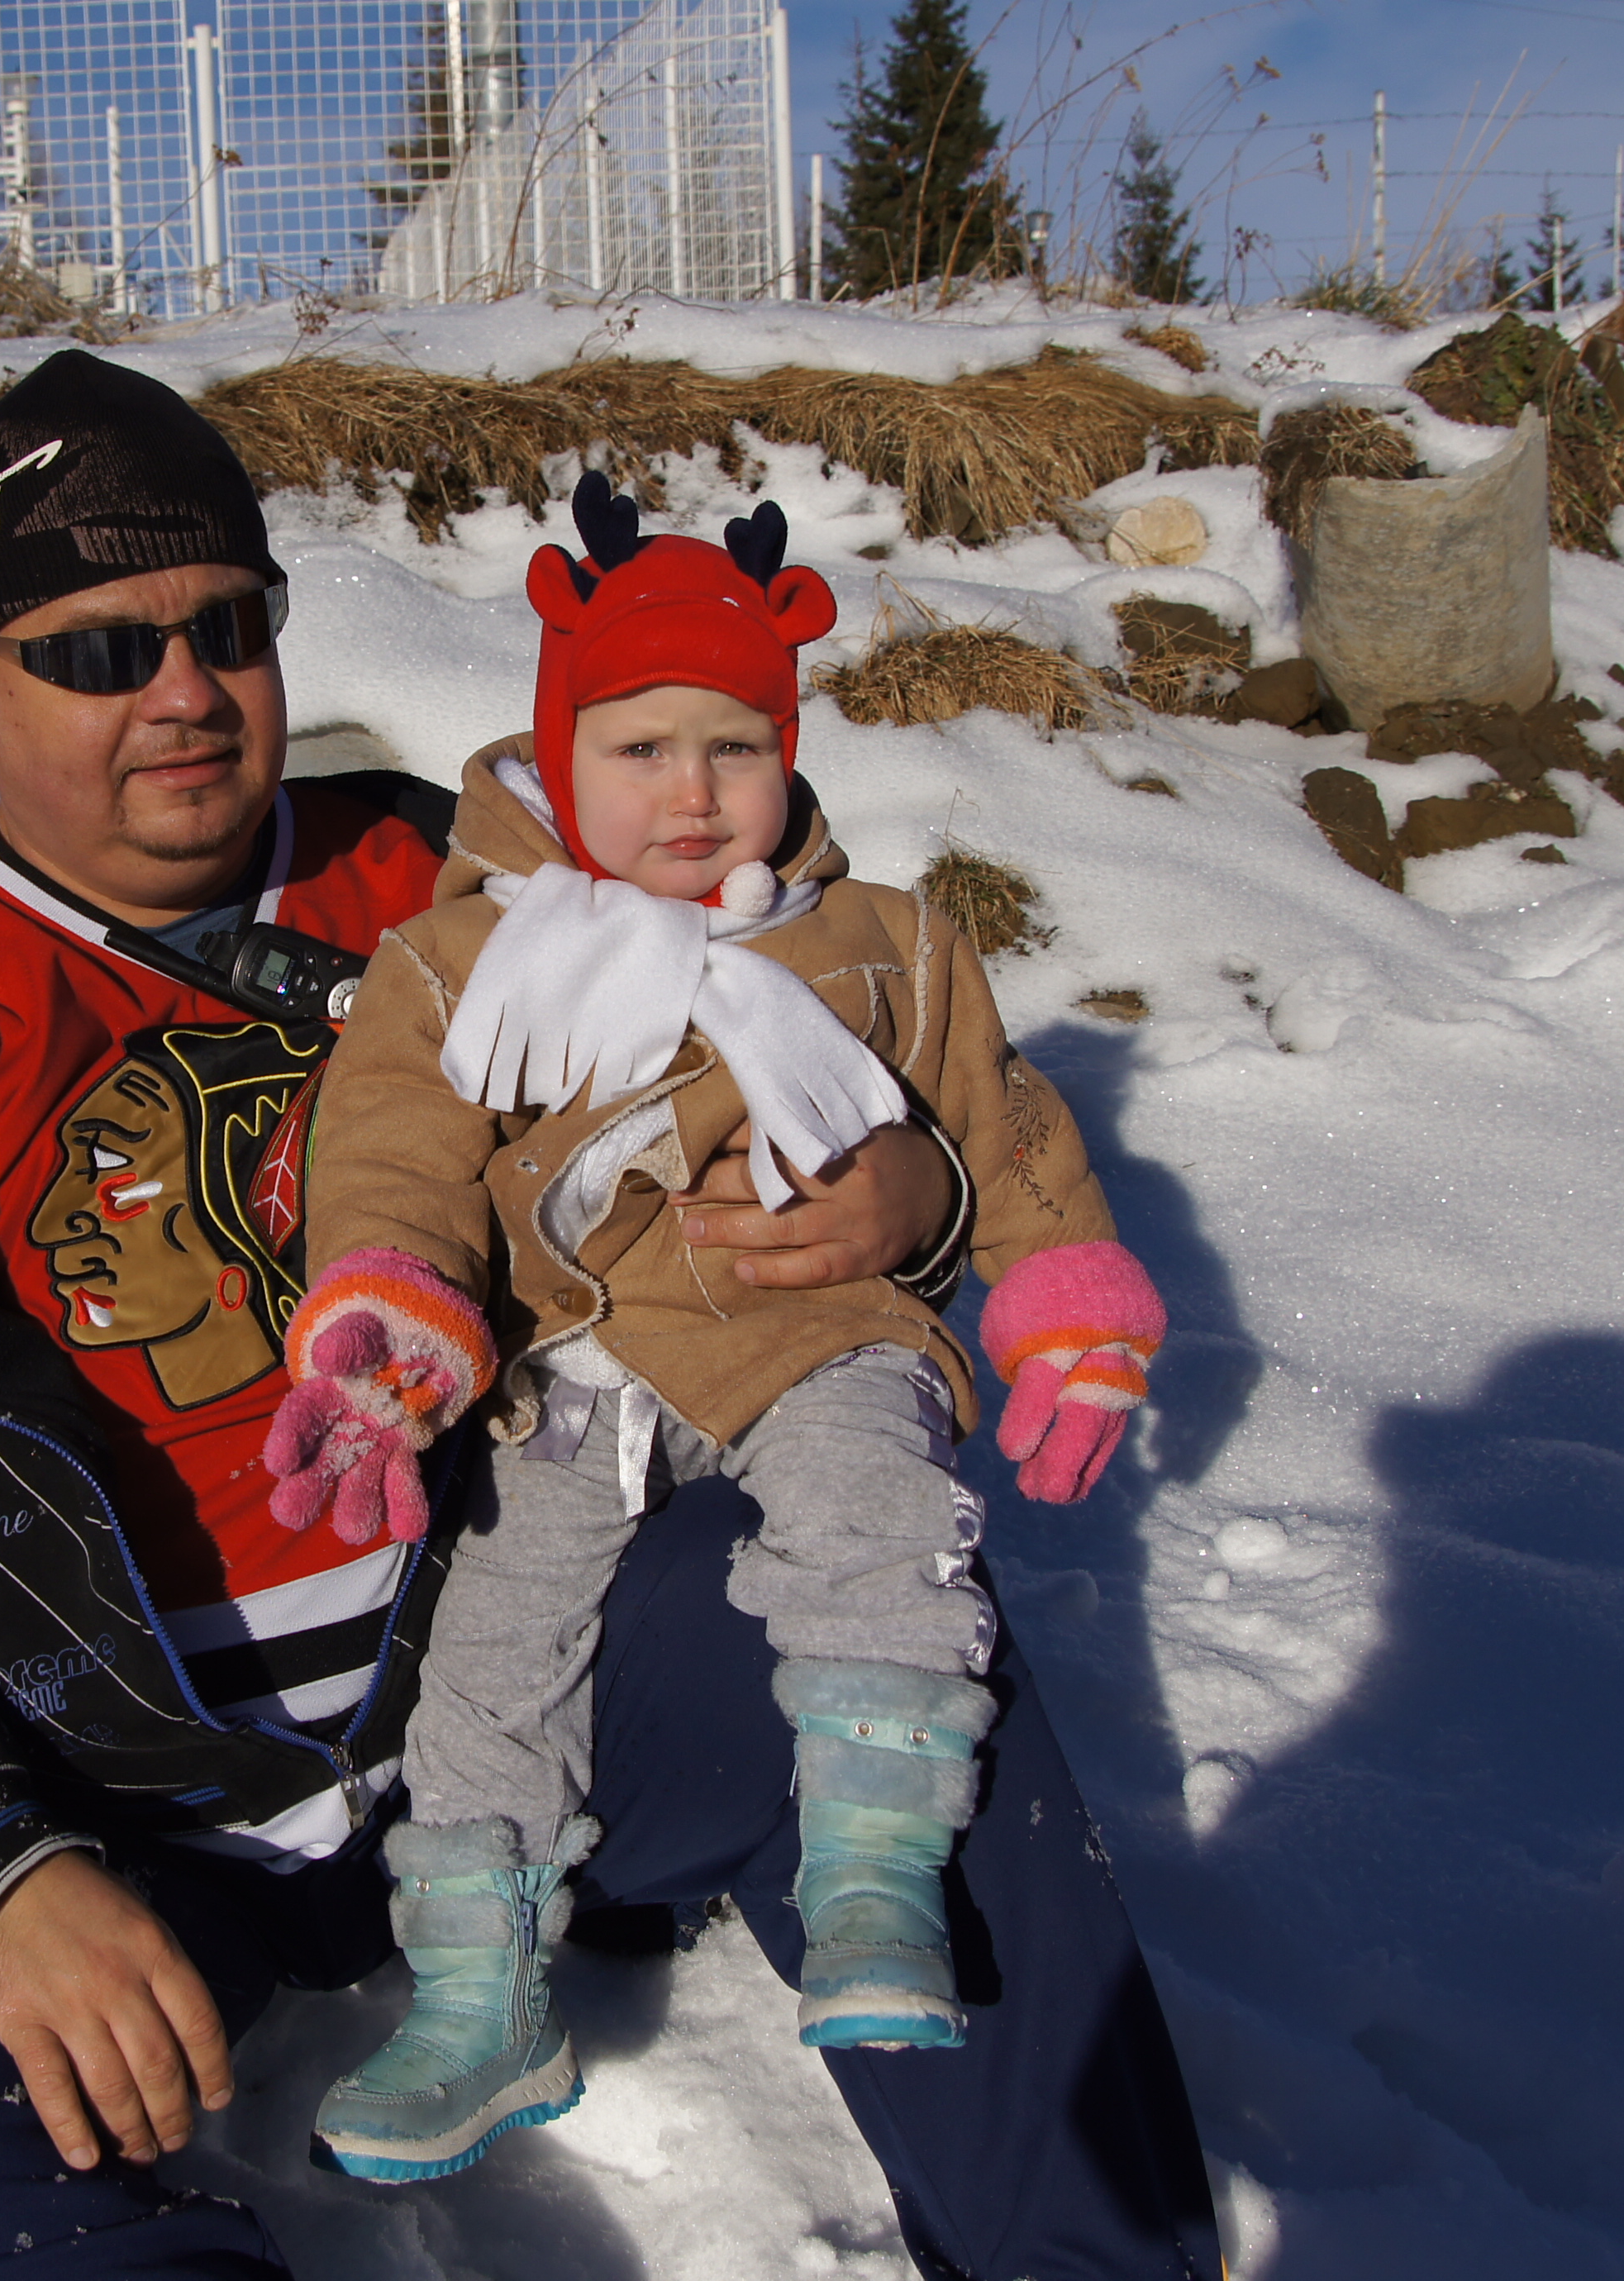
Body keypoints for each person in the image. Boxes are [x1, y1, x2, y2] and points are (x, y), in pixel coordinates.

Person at [0, 349, 1221, 2279]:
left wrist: (909, 1193)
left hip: (513, 1678)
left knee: (885, 1627)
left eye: (225, 626)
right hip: (104, 1809)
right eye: (96, 652)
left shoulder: (479, 884)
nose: (183, 691)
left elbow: (833, 986)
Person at [260, 476, 1170, 2183]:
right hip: (570, 1372)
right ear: (558, 753)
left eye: (733, 747)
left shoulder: (882, 944)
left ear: (788, 748)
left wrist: (1064, 1304)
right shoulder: (463, 958)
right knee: (493, 1649)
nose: (690, 794)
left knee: (876, 1523)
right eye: (639, 749)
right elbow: (392, 1145)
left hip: (810, 1326)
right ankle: (476, 1992)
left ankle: (876, 1876)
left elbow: (1002, 1125)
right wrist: (392, 1314)